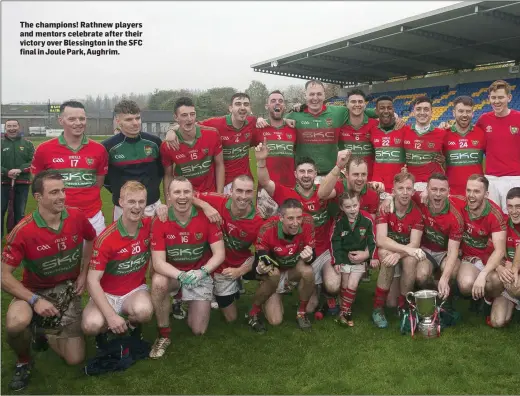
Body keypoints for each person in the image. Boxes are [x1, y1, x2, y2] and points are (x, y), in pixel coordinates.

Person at [1, 171, 96, 391]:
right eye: (54, 192)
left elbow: (91, 239)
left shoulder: (76, 216)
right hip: (33, 291)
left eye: (63, 190)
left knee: (75, 359)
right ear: (38, 197)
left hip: (66, 290)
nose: (62, 196)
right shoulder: (23, 231)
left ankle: (41, 330)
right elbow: (3, 275)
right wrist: (35, 300)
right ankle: (24, 360)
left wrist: (83, 273)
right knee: (16, 323)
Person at [254, 141, 345, 314]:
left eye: (310, 171)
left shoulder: (324, 191)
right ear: (295, 174)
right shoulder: (286, 193)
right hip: (299, 254)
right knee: (310, 308)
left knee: (333, 285)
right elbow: (265, 182)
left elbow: (344, 189)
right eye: (302, 171)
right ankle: (305, 289)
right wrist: (261, 161)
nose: (306, 175)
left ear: (316, 173)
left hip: (324, 251)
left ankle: (326, 292)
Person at [149, 177, 225, 358]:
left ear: (193, 194)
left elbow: (219, 254)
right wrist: (181, 276)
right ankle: (164, 334)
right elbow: (158, 262)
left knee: (198, 330)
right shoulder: (161, 219)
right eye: (177, 192)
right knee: (159, 282)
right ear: (168, 195)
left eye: (186, 192)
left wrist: (202, 272)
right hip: (174, 275)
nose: (182, 196)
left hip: (199, 274)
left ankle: (183, 301)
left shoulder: (206, 217)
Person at [81, 181, 154, 347]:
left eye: (141, 202)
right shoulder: (106, 239)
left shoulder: (149, 225)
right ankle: (104, 333)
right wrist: (110, 316)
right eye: (131, 202)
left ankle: (133, 327)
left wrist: (164, 209)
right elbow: (92, 281)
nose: (137, 207)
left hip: (134, 291)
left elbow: (175, 214)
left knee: (144, 312)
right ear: (121, 202)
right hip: (107, 294)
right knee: (90, 325)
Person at [194, 175, 266, 323]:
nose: (243, 196)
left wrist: (240, 271)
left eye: (248, 192)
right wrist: (206, 206)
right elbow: (189, 196)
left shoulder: (258, 221)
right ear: (231, 191)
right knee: (231, 318)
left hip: (240, 263)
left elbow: (261, 253)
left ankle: (255, 293)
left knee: (271, 271)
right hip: (217, 264)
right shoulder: (217, 200)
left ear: (253, 193)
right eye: (239, 191)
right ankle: (223, 287)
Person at [31, 101, 108, 235]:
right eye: (72, 119)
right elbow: (38, 184)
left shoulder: (99, 150)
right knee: (60, 256)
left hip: (92, 216)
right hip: (56, 217)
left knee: (93, 255)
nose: (78, 123)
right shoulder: (44, 149)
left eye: (82, 118)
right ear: (61, 120)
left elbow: (98, 182)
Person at [165, 93, 258, 193]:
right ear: (230, 108)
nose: (242, 107)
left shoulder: (253, 122)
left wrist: (260, 120)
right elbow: (191, 124)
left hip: (245, 181)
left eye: (246, 104)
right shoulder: (215, 124)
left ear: (250, 108)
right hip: (224, 183)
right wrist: (171, 130)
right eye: (238, 104)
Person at [248, 198, 316, 330]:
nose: (296, 223)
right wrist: (260, 269)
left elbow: (312, 254)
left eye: (299, 218)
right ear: (281, 218)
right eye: (290, 218)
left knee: (308, 271)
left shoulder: (308, 221)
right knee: (275, 321)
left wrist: (309, 258)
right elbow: (259, 261)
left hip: (293, 271)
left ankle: (301, 313)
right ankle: (253, 312)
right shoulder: (267, 228)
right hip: (275, 274)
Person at [372, 172, 425, 329]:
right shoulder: (385, 208)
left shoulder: (416, 212)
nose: (405, 192)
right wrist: (397, 252)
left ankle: (404, 306)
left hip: (404, 253)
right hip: (391, 251)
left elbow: (415, 243)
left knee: (411, 259)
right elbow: (381, 240)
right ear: (393, 191)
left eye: (408, 189)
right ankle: (377, 308)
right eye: (400, 188)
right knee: (385, 254)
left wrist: (399, 253)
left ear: (413, 192)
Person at [102, 100, 164, 221]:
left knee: (156, 240)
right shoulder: (107, 147)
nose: (135, 123)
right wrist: (123, 193)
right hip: (123, 208)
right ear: (118, 121)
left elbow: (161, 172)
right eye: (129, 119)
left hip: (152, 206)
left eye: (138, 118)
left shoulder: (154, 142)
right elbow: (105, 180)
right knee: (125, 240)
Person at [456, 175, 506, 314]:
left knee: (496, 281)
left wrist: (483, 274)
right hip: (470, 258)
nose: (471, 196)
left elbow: (500, 251)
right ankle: (474, 297)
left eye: (477, 191)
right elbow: (441, 196)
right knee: (465, 284)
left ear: (486, 194)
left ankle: (488, 300)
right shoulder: (460, 203)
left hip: (490, 259)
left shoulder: (495, 214)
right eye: (468, 190)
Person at [412, 174, 464, 299]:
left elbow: (453, 251)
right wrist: (388, 199)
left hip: (445, 252)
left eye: (442, 190)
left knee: (451, 271)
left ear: (448, 192)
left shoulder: (455, 216)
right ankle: (432, 296)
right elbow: (400, 193)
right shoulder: (419, 198)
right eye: (434, 189)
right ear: (427, 190)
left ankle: (448, 299)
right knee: (420, 276)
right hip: (425, 250)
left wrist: (445, 278)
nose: (438, 194)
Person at [160, 97, 225, 196]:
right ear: (176, 118)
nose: (189, 119)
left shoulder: (212, 134)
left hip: (209, 193)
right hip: (184, 196)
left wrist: (220, 193)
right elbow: (168, 176)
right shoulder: (167, 145)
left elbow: (219, 164)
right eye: (184, 115)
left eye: (192, 114)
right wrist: (169, 201)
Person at [330, 192, 377, 326]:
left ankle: (344, 312)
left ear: (359, 204)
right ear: (342, 208)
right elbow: (335, 242)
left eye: (355, 205)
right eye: (348, 207)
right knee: (344, 284)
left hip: (360, 260)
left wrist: (373, 257)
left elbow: (372, 240)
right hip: (344, 258)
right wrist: (337, 260)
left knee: (352, 284)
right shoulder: (339, 222)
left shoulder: (367, 220)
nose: (352, 209)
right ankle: (346, 311)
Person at [475, 80, 520, 212]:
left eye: (501, 97)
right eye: (493, 97)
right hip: (491, 179)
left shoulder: (518, 118)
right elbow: (471, 136)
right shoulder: (483, 120)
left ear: (509, 98)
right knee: (494, 218)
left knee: (513, 219)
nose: (497, 101)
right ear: (489, 98)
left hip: (515, 178)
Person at [253, 90, 297, 219]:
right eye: (273, 101)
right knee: (265, 229)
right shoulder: (259, 128)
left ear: (284, 106)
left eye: (280, 101)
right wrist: (257, 119)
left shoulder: (293, 128)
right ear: (267, 106)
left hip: (289, 188)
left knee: (290, 227)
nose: (277, 103)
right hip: (265, 191)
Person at [489, 187, 520, 327]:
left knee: (516, 286)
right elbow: (488, 250)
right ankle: (510, 300)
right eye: (510, 207)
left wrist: (514, 268)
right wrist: (500, 266)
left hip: (515, 274)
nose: (514, 211)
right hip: (510, 276)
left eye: (518, 206)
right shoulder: (502, 223)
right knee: (497, 321)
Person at [443, 96, 486, 196]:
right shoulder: (444, 134)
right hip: (452, 193)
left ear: (473, 113)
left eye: (468, 111)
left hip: (477, 193)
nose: (464, 115)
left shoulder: (481, 133)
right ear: (454, 113)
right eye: (461, 111)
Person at [403, 96, 446, 191]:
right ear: (413, 112)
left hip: (434, 187)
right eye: (418, 109)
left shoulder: (443, 133)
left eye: (426, 109)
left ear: (431, 112)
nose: (422, 112)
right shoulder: (403, 131)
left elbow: (448, 163)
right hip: (410, 186)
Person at [1, 119, 35, 237]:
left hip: (22, 183)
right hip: (3, 183)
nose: (12, 128)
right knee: (1, 211)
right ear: (5, 128)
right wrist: (6, 172)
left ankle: (16, 239)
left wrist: (20, 169)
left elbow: (34, 161)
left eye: (14, 126)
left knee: (19, 213)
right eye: (9, 126)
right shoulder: (1, 143)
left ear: (19, 127)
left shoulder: (28, 144)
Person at [339, 89, 379, 181]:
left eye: (360, 101)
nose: (357, 104)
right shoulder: (339, 125)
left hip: (369, 178)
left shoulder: (375, 124)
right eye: (353, 101)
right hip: (345, 179)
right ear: (347, 104)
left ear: (365, 104)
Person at [370, 96, 406, 194]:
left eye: (389, 108)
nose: (386, 111)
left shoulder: (404, 129)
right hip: (377, 185)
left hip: (398, 186)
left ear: (393, 110)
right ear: (376, 111)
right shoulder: (372, 129)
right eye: (382, 108)